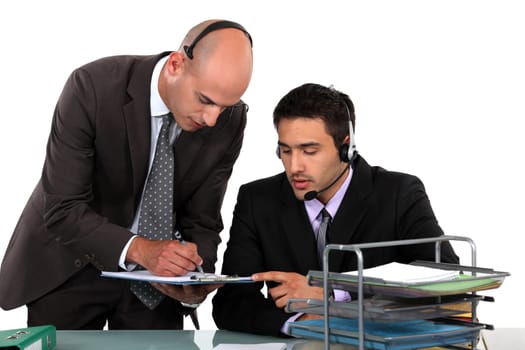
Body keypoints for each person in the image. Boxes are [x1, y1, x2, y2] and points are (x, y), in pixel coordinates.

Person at [0, 19, 253, 330]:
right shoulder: (92, 87)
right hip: (71, 263)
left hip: (156, 284)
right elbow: (63, 207)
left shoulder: (230, 120)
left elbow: (203, 217)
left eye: (225, 106)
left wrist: (196, 276)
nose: (213, 119)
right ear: (175, 65)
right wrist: (140, 250)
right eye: (205, 100)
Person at [212, 83, 459, 336]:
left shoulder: (399, 193)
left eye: (309, 151)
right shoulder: (257, 199)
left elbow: (448, 280)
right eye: (285, 151)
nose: (294, 166)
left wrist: (332, 293)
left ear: (346, 148)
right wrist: (301, 323)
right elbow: (230, 303)